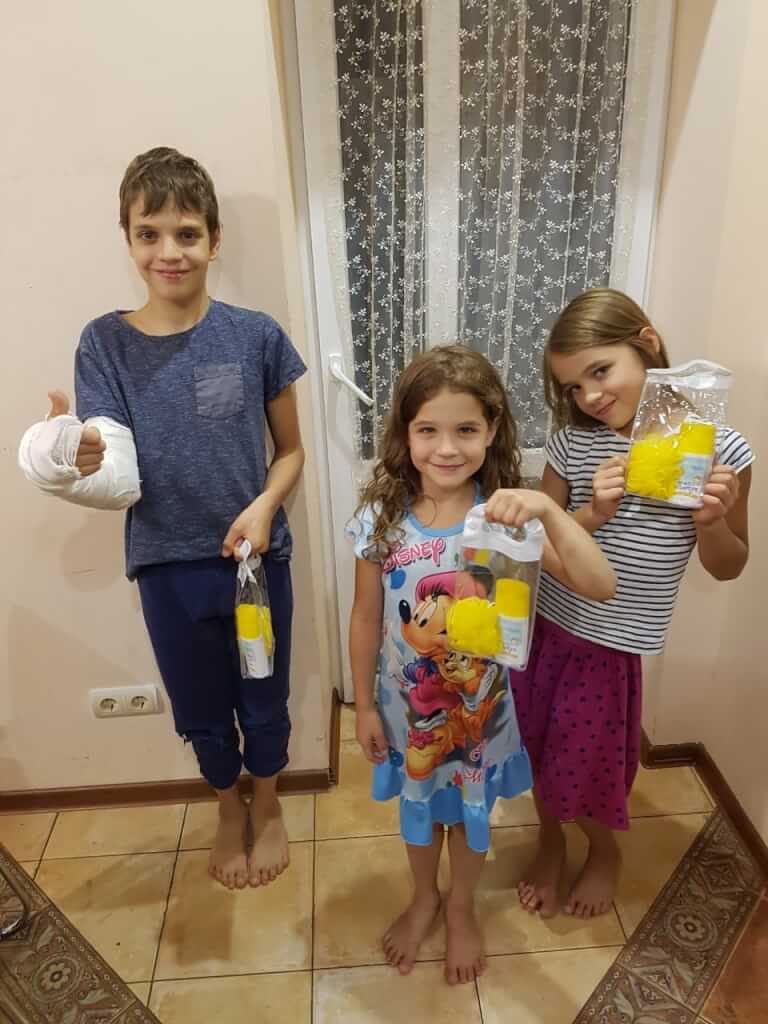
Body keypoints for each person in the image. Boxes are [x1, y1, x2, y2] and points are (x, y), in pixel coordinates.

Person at [18, 147, 307, 891]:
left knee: (264, 696)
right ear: (128, 240)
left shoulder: (256, 335)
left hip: (254, 564)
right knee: (201, 707)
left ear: (215, 239)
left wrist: (265, 506)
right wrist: (72, 454)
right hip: (166, 569)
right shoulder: (103, 342)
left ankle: (269, 802)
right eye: (149, 234)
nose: (169, 251)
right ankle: (226, 807)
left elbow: (291, 451)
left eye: (186, 233)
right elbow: (109, 461)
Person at [347, 345, 616, 984]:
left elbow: (599, 583)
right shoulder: (380, 518)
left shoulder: (505, 519)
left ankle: (461, 905)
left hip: (481, 714)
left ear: (492, 430)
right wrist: (362, 705)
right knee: (418, 810)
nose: (447, 448)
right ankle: (424, 897)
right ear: (405, 433)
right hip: (407, 710)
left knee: (470, 817)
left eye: (465, 429)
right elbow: (363, 617)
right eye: (428, 430)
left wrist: (547, 508)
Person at [514, 287, 754, 920]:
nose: (591, 396)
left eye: (601, 370)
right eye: (574, 387)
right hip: (547, 627)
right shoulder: (573, 445)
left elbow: (729, 565)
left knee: (588, 760)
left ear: (647, 343)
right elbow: (539, 544)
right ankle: (548, 840)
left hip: (613, 645)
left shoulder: (721, 450)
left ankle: (603, 849)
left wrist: (711, 521)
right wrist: (592, 513)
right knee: (536, 744)